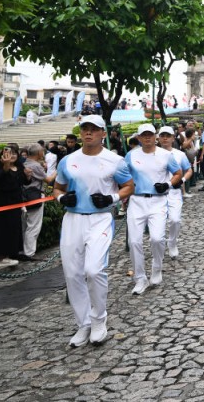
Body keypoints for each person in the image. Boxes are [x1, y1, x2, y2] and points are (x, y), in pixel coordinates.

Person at [54, 115, 134, 347]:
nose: (88, 133)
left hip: (100, 219)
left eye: (94, 129)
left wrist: (112, 197)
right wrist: (61, 198)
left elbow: (129, 186)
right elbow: (57, 187)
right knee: (72, 274)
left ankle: (99, 320)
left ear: (102, 133)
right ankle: (84, 324)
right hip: (73, 220)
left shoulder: (114, 161)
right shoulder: (67, 161)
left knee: (94, 269)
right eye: (84, 129)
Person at [125, 123, 182, 295]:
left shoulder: (166, 155)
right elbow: (123, 177)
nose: (147, 137)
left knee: (157, 238)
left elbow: (178, 173)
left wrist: (166, 184)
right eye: (144, 135)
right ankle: (140, 278)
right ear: (139, 137)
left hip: (158, 201)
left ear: (155, 136)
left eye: (150, 134)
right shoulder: (130, 155)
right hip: (136, 201)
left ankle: (157, 267)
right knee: (134, 241)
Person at [0, 146, 26, 268]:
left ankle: (7, 255)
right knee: (0, 230)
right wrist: (6, 166)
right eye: (7, 153)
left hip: (15, 204)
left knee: (12, 230)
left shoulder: (19, 168)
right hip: (2, 204)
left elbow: (21, 183)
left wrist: (27, 176)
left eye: (13, 153)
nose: (10, 156)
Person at [157, 127, 193, 260]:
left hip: (174, 192)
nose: (165, 138)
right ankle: (158, 244)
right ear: (158, 138)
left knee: (175, 219)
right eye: (162, 135)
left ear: (173, 138)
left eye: (168, 136)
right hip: (157, 194)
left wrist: (182, 180)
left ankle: (172, 242)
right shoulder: (152, 154)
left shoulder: (179, 154)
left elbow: (188, 170)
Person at [20, 143, 56, 261]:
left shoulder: (24, 163)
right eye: (43, 152)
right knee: (34, 225)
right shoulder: (36, 165)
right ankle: (30, 252)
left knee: (25, 224)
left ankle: (24, 250)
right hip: (35, 196)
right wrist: (58, 170)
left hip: (24, 197)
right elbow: (48, 179)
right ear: (39, 153)